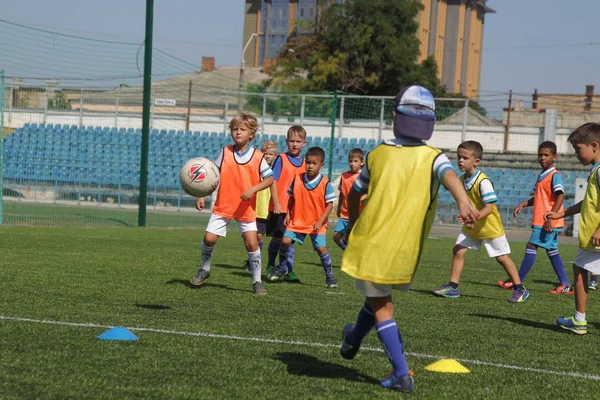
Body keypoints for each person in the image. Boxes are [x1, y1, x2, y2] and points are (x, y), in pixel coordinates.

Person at [339, 85, 479, 393]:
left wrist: (351, 223)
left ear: (394, 117)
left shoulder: (376, 154)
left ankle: (402, 374)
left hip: (373, 240)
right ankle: (352, 340)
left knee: (382, 304)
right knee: (376, 297)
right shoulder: (433, 157)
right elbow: (450, 176)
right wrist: (463, 201)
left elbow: (354, 192)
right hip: (407, 247)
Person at [431, 140, 530, 303]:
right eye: (458, 157)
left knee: (502, 258)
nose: (460, 161)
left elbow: (489, 208)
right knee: (458, 250)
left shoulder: (483, 181)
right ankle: (453, 287)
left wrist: (472, 216)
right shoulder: (462, 179)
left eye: (464, 158)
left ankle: (520, 289)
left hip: (489, 227)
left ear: (476, 161)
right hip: (473, 226)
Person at [189, 112, 274, 295]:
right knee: (209, 239)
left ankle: (257, 281)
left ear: (251, 134)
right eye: (235, 129)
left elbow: (269, 179)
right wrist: (202, 194)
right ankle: (204, 269)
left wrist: (252, 190)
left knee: (252, 244)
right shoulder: (225, 152)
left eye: (242, 129)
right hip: (224, 206)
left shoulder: (258, 157)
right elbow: (213, 176)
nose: (238, 132)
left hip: (246, 208)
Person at [545, 122, 600, 335]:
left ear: (594, 146)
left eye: (578, 149)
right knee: (579, 269)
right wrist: (561, 213)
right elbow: (588, 202)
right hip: (591, 238)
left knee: (579, 270)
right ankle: (579, 319)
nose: (576, 154)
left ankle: (579, 320)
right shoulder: (595, 171)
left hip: (595, 237)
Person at [499, 141, 573, 294]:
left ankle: (517, 281)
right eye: (540, 155)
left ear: (555, 157)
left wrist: (550, 218)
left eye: (546, 155)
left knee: (531, 246)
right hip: (545, 220)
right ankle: (565, 284)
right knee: (552, 250)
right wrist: (524, 203)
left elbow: (560, 196)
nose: (542, 158)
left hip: (546, 221)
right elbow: (540, 197)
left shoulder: (554, 175)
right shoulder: (542, 175)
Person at [266, 147, 339, 288]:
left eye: (314, 163)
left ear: (321, 165)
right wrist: (288, 214)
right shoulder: (297, 179)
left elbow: (330, 205)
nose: (310, 166)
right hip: (297, 220)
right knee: (285, 241)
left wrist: (320, 220)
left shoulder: (326, 183)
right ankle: (282, 267)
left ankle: (330, 277)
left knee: (321, 249)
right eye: (308, 163)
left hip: (316, 223)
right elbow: (291, 198)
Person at [265, 126, 308, 282]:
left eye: (298, 141)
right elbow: (273, 181)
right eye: (291, 141)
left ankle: (287, 269)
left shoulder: (305, 163)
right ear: (286, 142)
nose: (294, 144)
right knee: (278, 238)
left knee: (289, 239)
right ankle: (271, 264)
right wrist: (276, 202)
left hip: (295, 210)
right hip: (280, 207)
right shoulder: (281, 159)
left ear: (304, 143)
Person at [242, 140, 278, 271]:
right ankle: (253, 260)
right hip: (256, 208)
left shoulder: (275, 171)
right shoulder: (256, 168)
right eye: (265, 153)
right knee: (255, 236)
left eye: (270, 154)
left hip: (268, 208)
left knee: (268, 236)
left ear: (275, 156)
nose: (267, 156)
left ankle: (261, 262)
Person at [333, 148, 365, 251]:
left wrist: (362, 199)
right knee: (336, 237)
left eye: (355, 161)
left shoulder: (363, 177)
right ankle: (348, 252)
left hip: (358, 215)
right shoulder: (344, 176)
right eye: (350, 161)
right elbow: (342, 193)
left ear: (362, 162)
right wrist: (339, 209)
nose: (352, 163)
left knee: (354, 239)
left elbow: (369, 193)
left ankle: (354, 257)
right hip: (345, 213)